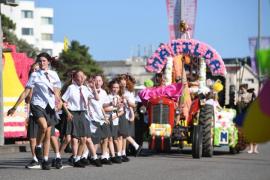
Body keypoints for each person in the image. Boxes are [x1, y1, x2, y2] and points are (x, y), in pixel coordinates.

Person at [7, 52, 62, 170]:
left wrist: (58, 100)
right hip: (37, 104)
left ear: (48, 62)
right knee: (43, 126)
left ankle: (45, 160)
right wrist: (15, 106)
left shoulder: (54, 74)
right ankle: (38, 146)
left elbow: (57, 89)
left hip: (50, 106)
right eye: (40, 61)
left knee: (48, 134)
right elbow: (26, 92)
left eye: (44, 61)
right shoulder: (35, 75)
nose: (42, 63)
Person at [61, 70, 92, 168]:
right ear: (74, 78)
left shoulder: (85, 88)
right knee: (71, 138)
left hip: (83, 113)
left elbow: (96, 98)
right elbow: (63, 101)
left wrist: (93, 87)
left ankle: (78, 158)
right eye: (79, 76)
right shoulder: (71, 88)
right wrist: (68, 112)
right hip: (73, 113)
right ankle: (58, 157)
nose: (82, 78)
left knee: (83, 139)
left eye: (83, 76)